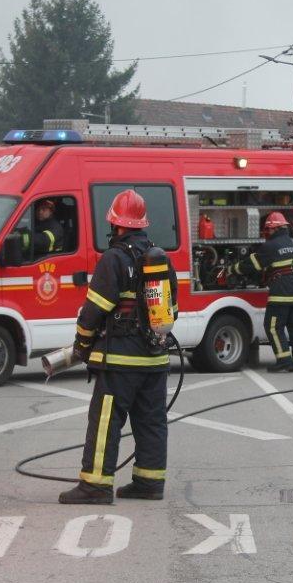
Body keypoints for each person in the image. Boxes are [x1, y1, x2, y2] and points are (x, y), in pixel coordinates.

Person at [59, 189, 178, 505]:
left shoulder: (114, 258)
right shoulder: (159, 257)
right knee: (151, 421)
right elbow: (172, 308)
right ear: (141, 224)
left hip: (120, 360)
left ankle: (95, 486)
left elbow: (94, 310)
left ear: (116, 224)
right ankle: (149, 483)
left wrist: (82, 343)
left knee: (105, 423)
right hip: (155, 358)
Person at [228, 211, 293, 372]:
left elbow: (253, 265)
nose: (267, 233)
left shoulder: (270, 245)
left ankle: (284, 360)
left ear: (274, 229)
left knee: (272, 327)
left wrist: (232, 269)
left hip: (281, 294)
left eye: (268, 230)